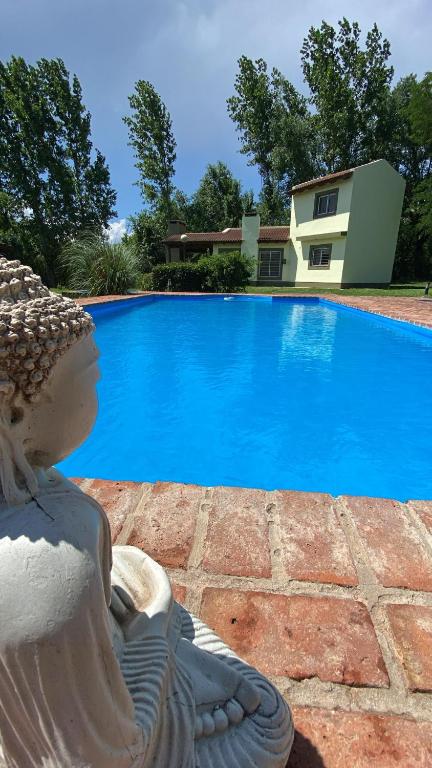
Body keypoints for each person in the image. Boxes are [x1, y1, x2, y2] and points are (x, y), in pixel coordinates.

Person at [0, 256, 293, 768]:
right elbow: (111, 754)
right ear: (15, 411)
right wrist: (153, 628)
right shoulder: (49, 563)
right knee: (267, 718)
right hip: (116, 723)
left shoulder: (29, 485)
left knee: (132, 568)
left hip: (75, 650)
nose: (100, 388)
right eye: (89, 376)